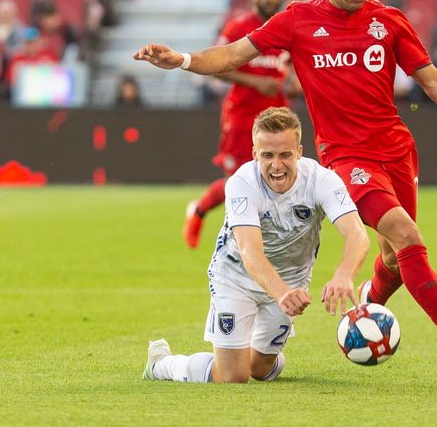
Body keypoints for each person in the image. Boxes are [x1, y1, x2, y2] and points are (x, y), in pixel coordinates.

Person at [134, 0, 437, 377]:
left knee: (394, 257)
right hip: (347, 159)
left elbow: (433, 81)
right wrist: (180, 59)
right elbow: (234, 55)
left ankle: (371, 299)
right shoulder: (298, 20)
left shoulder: (389, 21)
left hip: (398, 152)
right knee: (407, 236)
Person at [143, 107, 369, 384]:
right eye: (268, 155)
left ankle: (260, 356)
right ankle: (162, 364)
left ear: (299, 152)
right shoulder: (241, 184)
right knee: (232, 376)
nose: (277, 165)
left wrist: (344, 273)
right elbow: (250, 251)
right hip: (237, 276)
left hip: (291, 278)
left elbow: (357, 234)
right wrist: (282, 293)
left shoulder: (322, 180)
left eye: (285, 154)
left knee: (260, 369)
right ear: (254, 154)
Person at [184, 0, 292, 249]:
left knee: (277, 176)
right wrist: (256, 82)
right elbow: (217, 67)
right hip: (242, 115)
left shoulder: (286, 29)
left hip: (278, 116)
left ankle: (269, 240)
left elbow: (293, 69)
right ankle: (199, 211)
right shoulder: (238, 29)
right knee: (237, 180)